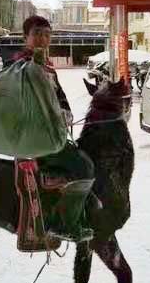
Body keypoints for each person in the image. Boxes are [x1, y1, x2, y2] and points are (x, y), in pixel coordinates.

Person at [6, 15, 96, 242]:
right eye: (37, 33)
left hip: (49, 134)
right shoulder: (20, 67)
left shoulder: (46, 66)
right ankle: (63, 224)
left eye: (47, 34)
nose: (43, 39)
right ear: (25, 37)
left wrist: (65, 113)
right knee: (84, 166)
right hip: (33, 139)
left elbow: (58, 98)